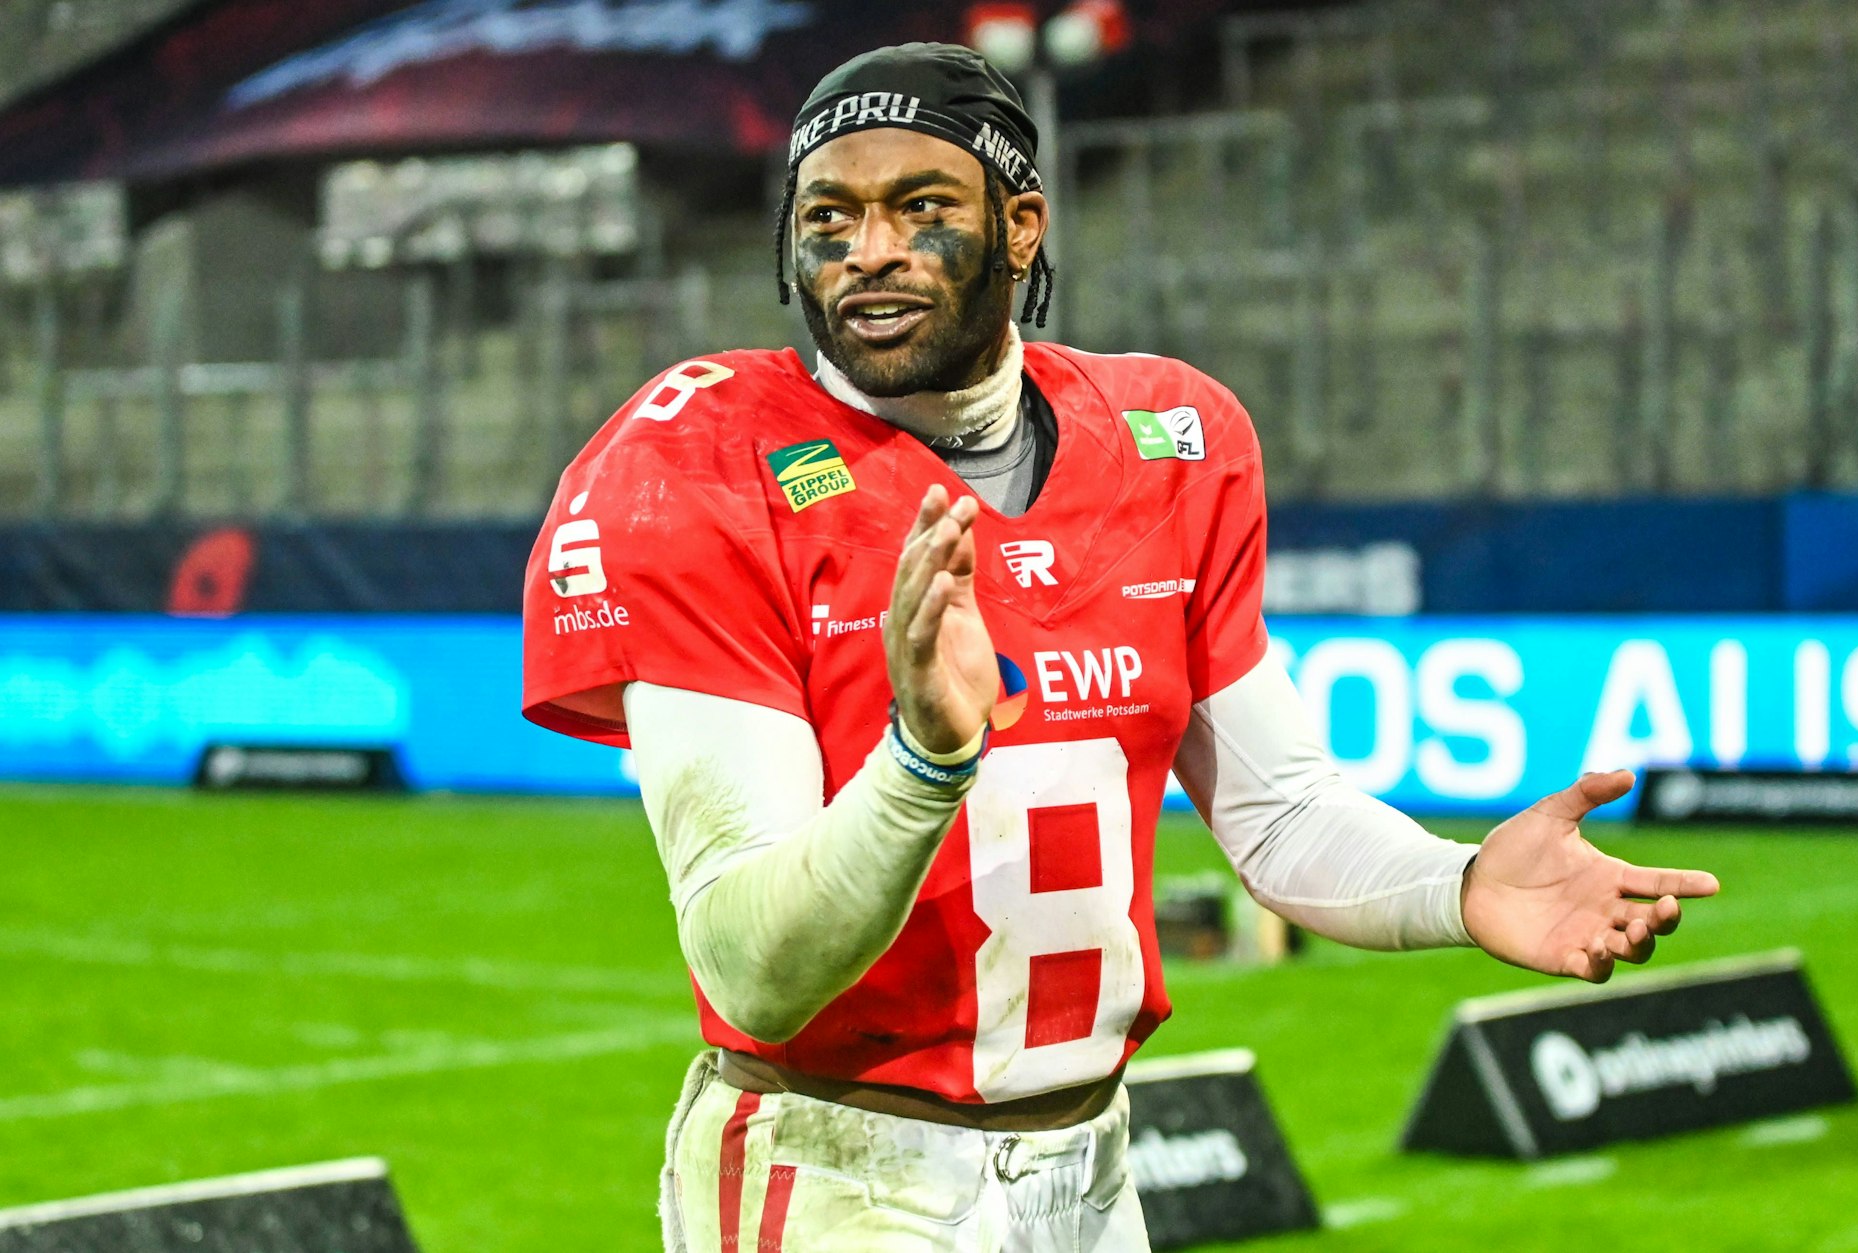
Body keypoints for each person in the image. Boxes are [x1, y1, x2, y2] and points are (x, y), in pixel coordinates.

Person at [521, 43, 1720, 1252]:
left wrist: (1459, 885)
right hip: (835, 1170)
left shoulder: (1170, 437)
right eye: (828, 214)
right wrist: (923, 758)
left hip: (1090, 1174)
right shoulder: (701, 460)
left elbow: (1284, 816)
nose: (867, 249)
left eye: (919, 206)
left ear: (1021, 223)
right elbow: (750, 971)